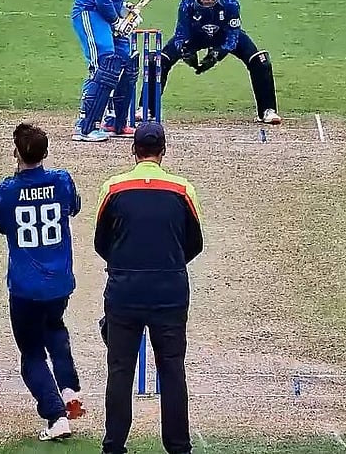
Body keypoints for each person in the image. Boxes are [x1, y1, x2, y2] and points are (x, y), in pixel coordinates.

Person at [95, 122, 203, 454]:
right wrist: (167, 264)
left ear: (134, 150)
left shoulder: (112, 188)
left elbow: (101, 243)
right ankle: (179, 447)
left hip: (124, 292)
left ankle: (113, 446)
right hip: (169, 292)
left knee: (120, 370)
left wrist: (126, 264)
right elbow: (194, 243)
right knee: (172, 370)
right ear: (163, 151)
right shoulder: (183, 189)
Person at [0, 123, 87, 441]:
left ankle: (56, 416)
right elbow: (74, 207)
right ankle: (69, 388)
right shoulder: (61, 180)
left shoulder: (4, 191)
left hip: (26, 288)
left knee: (31, 353)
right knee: (54, 328)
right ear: (45, 153)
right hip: (59, 283)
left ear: (16, 153)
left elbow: (3, 227)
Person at [140, 0, 281, 125]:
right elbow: (181, 34)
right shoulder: (187, 5)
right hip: (196, 36)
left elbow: (233, 36)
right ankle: (147, 108)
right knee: (156, 60)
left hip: (223, 36)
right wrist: (187, 53)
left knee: (260, 60)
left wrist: (217, 54)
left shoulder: (230, 3)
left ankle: (267, 110)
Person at [70, 0, 144, 142]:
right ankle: (85, 125)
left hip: (109, 12)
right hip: (90, 13)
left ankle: (116, 122)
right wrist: (117, 21)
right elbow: (101, 0)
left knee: (126, 60)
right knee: (105, 62)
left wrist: (125, 9)